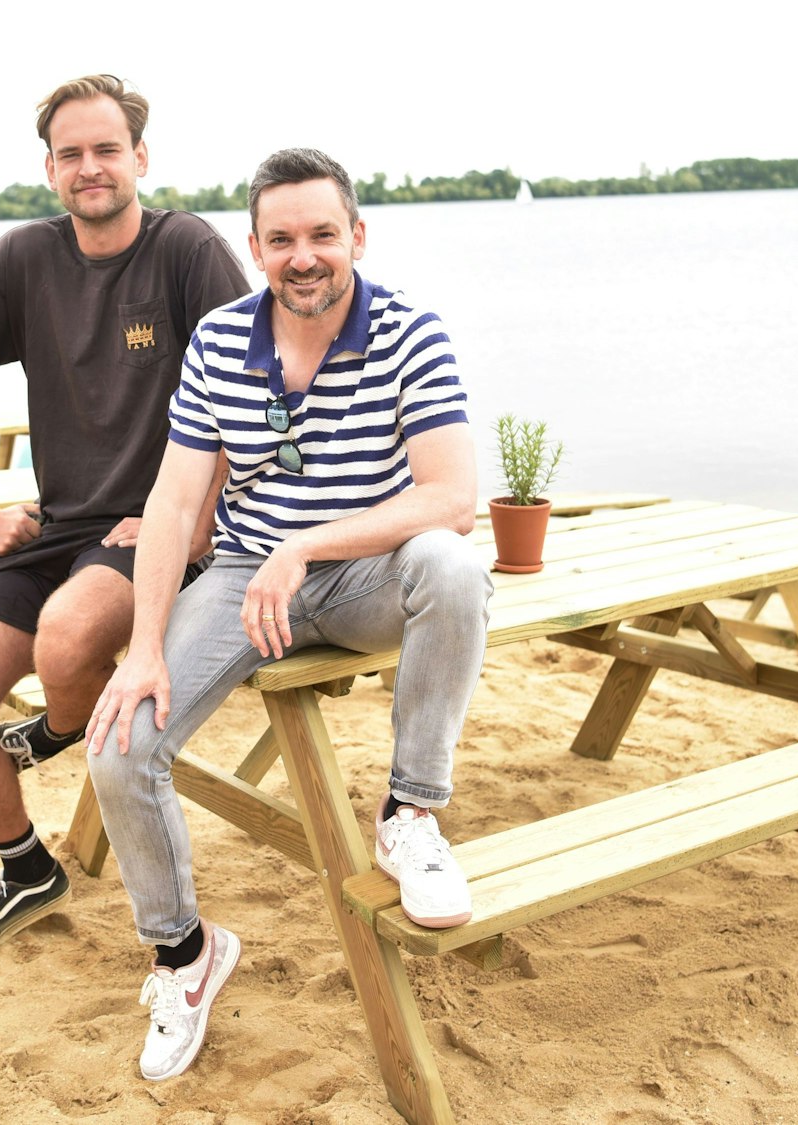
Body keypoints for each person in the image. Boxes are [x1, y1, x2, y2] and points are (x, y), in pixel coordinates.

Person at [83, 147, 492, 1081]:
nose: (303, 256)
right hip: (236, 579)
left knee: (455, 568)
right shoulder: (222, 339)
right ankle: (185, 956)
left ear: (356, 235)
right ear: (256, 248)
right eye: (281, 239)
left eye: (321, 234)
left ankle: (412, 814)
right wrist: (144, 647)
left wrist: (304, 546)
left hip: (362, 577)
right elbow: (177, 503)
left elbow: (453, 496)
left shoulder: (410, 331)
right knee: (117, 744)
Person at [0, 75, 250, 967]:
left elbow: (253, 394)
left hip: (156, 528)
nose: (90, 168)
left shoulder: (188, 251)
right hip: (55, 527)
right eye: (72, 154)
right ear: (50, 168)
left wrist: (196, 519)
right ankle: (27, 868)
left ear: (141, 156)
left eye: (107, 149)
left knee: (64, 640)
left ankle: (56, 726)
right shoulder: (22, 259)